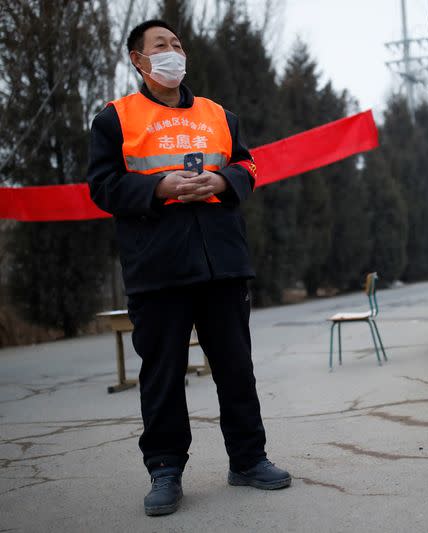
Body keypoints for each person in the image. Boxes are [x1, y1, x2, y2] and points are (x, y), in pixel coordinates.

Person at [87, 20, 291, 517]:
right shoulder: (114, 119)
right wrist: (159, 189)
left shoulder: (219, 114)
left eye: (177, 44)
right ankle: (164, 470)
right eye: (161, 46)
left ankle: (248, 459)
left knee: (236, 370)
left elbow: (248, 166)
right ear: (139, 60)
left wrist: (222, 181)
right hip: (158, 269)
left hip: (222, 263)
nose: (173, 52)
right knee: (162, 375)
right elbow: (102, 186)